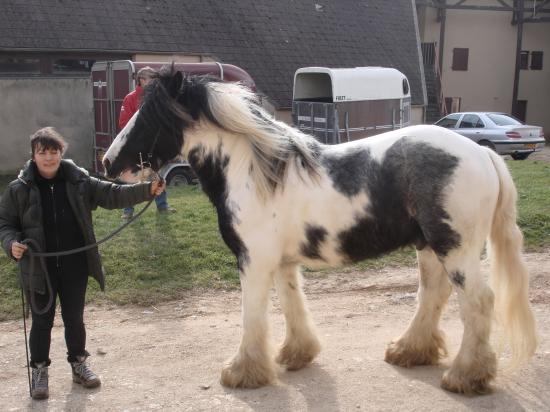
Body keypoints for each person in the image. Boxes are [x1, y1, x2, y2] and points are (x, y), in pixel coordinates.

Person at [0, 127, 165, 400]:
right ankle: (39, 370)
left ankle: (79, 364)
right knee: (42, 321)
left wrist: (146, 190)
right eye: (43, 153)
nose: (49, 158)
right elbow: (5, 224)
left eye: (54, 152)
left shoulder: (79, 181)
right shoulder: (19, 189)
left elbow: (112, 194)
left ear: (61, 153)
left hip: (75, 263)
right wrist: (11, 244)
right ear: (33, 155)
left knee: (74, 318)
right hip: (38, 267)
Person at [119, 66, 176, 219]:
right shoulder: (130, 98)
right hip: (134, 146)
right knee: (131, 178)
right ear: (142, 80)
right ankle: (128, 211)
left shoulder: (157, 98)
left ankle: (163, 206)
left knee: (157, 175)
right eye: (152, 80)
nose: (155, 83)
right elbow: (124, 123)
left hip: (153, 147)